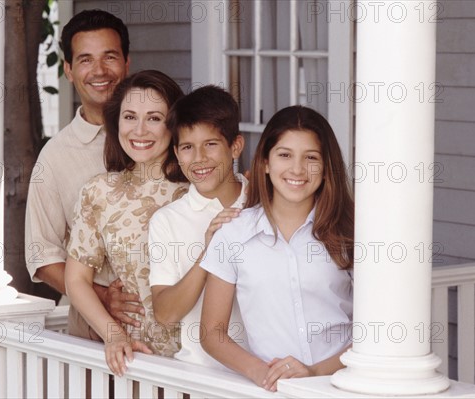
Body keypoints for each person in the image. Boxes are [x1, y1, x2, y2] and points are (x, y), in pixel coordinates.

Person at [199, 105, 354, 391]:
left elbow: (373, 331)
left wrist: (314, 371)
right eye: (285, 155)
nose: (297, 169)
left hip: (344, 385)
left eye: (311, 158)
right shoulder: (233, 235)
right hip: (272, 390)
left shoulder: (350, 233)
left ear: (325, 167)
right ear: (266, 163)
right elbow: (212, 333)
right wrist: (262, 373)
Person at [65, 70, 188, 376]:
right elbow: (76, 279)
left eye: (155, 118)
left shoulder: (198, 190)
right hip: (135, 362)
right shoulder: (99, 192)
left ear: (174, 125)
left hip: (198, 362)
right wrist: (113, 334)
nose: (140, 130)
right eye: (130, 117)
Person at [25, 10, 143, 327]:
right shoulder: (55, 158)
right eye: (86, 60)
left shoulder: (160, 136)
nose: (99, 71)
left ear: (127, 62)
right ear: (68, 70)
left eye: (110, 57)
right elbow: (43, 256)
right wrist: (103, 297)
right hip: (95, 325)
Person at [148, 85, 249, 370]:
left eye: (211, 144)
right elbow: (165, 314)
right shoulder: (167, 221)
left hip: (266, 374)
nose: (199, 158)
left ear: (235, 146)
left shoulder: (263, 203)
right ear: (177, 154)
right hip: (200, 374)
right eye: (187, 147)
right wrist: (209, 252)